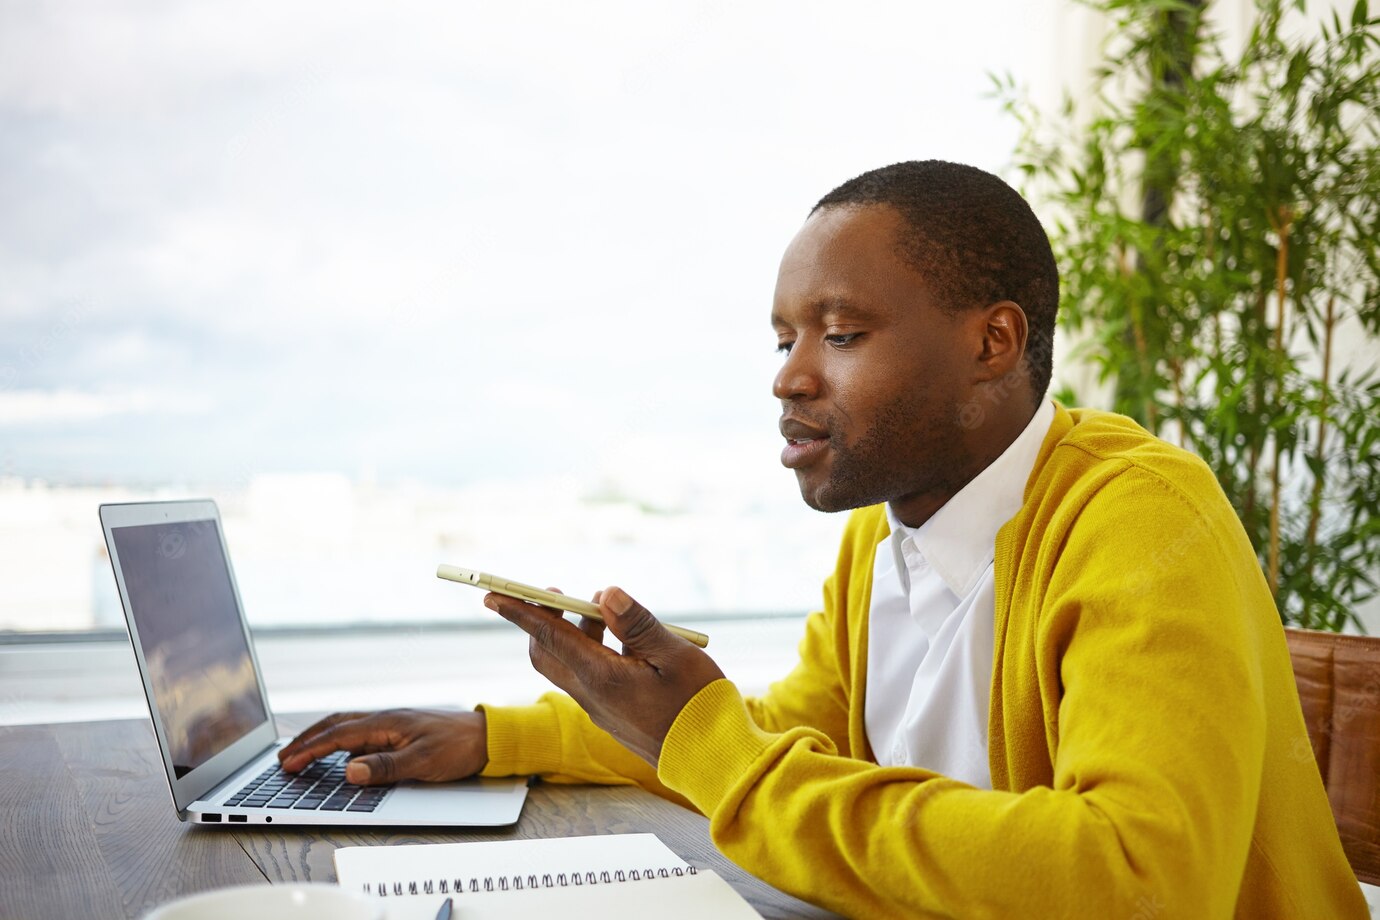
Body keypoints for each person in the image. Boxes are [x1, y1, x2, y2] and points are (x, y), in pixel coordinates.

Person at [280, 161, 1365, 918]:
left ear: (995, 342)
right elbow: (784, 737)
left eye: (840, 334)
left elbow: (1135, 882)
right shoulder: (887, 531)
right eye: (785, 336)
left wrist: (712, 746)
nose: (790, 375)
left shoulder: (1137, 518)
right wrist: (500, 735)